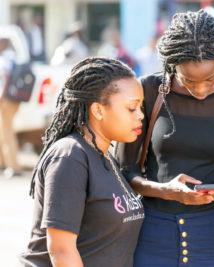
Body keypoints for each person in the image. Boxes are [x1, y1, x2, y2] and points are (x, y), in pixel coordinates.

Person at [115, 10, 214, 267]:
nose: (201, 90)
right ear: (173, 65)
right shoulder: (148, 91)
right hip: (151, 234)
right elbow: (125, 172)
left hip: (213, 236)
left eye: (211, 79)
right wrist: (166, 191)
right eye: (189, 80)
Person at [20, 57, 145, 267]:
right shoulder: (70, 157)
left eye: (141, 107)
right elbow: (61, 251)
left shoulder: (104, 155)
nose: (140, 115)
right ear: (98, 110)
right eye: (132, 108)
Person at [0, 37, 22, 178]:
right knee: (4, 131)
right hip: (12, 98)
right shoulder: (12, 56)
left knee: (7, 133)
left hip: (6, 99)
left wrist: (2, 94)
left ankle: (13, 166)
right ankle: (5, 163)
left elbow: (7, 76)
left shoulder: (6, 57)